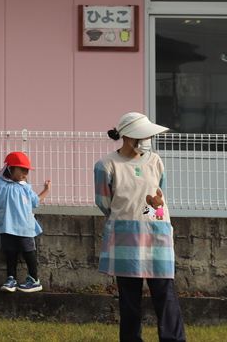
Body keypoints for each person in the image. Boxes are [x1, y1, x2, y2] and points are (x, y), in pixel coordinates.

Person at [95, 112, 186, 342]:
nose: (146, 140)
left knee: (165, 292)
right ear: (127, 136)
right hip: (125, 238)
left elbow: (158, 197)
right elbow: (104, 202)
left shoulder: (155, 161)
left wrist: (146, 214)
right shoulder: (106, 165)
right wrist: (129, 215)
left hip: (157, 234)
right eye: (142, 136)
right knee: (129, 297)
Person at [0, 151, 51, 293]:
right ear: (10, 168)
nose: (25, 173)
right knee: (10, 252)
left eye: (27, 170)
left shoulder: (26, 187)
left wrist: (46, 190)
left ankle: (34, 280)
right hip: (7, 226)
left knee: (29, 252)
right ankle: (11, 279)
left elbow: (35, 201)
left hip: (25, 227)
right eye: (22, 169)